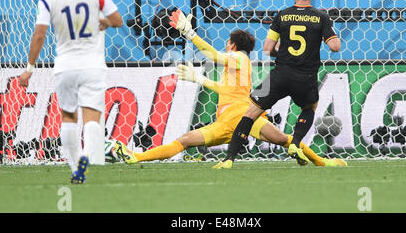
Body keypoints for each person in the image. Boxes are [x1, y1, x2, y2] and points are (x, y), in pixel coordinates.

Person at [114, 10, 347, 168]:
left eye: (228, 43)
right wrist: (200, 80)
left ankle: (137, 156)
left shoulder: (238, 57)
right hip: (226, 121)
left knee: (184, 141)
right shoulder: (239, 64)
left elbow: (214, 56)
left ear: (233, 45)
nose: (226, 47)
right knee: (285, 140)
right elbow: (227, 90)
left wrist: (189, 34)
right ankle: (135, 157)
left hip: (241, 115)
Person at [18, 0, 123, 183]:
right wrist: (105, 22)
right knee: (92, 118)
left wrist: (29, 68)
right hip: (92, 66)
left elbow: (40, 34)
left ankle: (76, 167)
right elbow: (117, 20)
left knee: (68, 117)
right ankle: (87, 155)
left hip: (65, 66)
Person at [214, 0, 341, 169]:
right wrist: (324, 35)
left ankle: (229, 159)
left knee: (250, 113)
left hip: (279, 74)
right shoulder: (321, 17)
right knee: (309, 108)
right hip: (305, 77)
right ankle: (296, 144)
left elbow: (267, 49)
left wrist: (282, 49)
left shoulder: (282, 15)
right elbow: (335, 47)